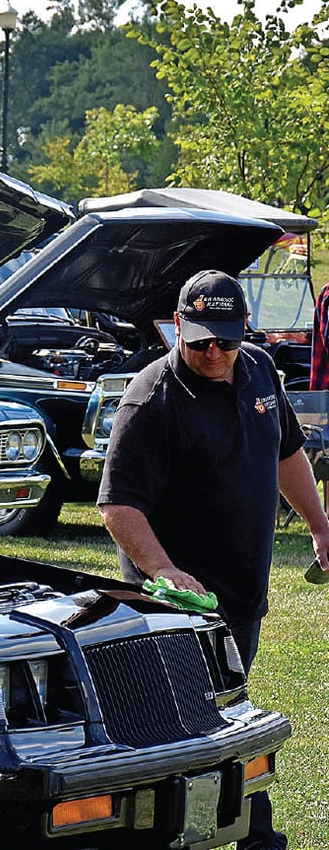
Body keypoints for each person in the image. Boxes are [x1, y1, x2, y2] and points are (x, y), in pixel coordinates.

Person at [99, 269, 329, 850]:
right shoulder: (151, 400)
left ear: (243, 330)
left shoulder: (257, 369)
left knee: (225, 721)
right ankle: (245, 839)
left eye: (224, 340)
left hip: (241, 595)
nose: (212, 352)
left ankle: (242, 835)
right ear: (176, 327)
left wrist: (321, 525)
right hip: (176, 608)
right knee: (184, 736)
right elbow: (118, 505)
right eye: (198, 340)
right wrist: (164, 570)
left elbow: (287, 453)